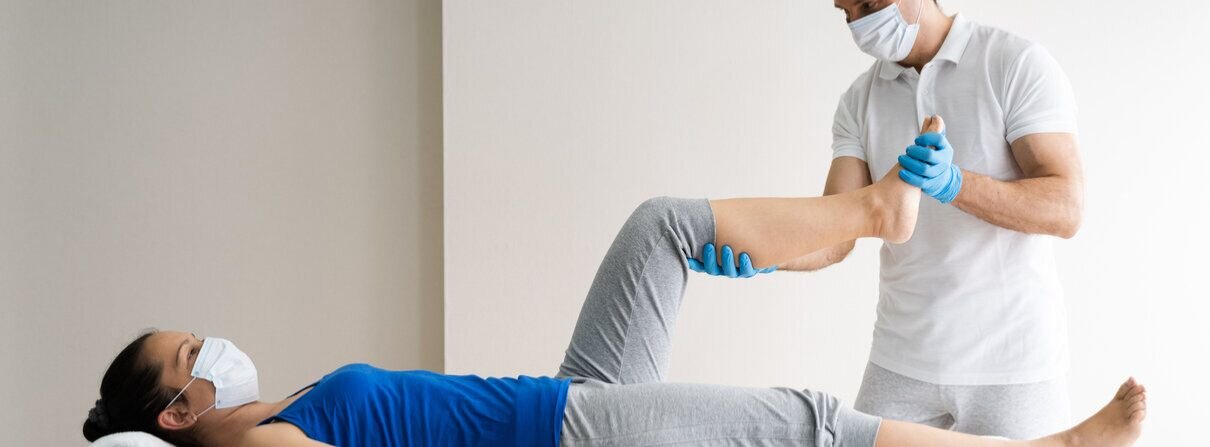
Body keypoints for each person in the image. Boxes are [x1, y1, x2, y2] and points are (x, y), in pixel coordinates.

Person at [83, 119, 1138, 447]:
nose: (213, 345)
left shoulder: (268, 413)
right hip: (564, 438)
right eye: (191, 354)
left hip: (559, 402)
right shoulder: (257, 446)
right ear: (175, 412)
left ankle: (874, 211)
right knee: (800, 423)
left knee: (660, 228)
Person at [693, 0, 1086, 439]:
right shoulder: (859, 101)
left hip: (1012, 363)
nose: (861, 23)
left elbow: (1065, 207)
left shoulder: (1013, 63)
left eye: (870, 4)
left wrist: (955, 184)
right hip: (902, 359)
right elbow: (834, 234)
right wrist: (767, 255)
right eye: (847, 13)